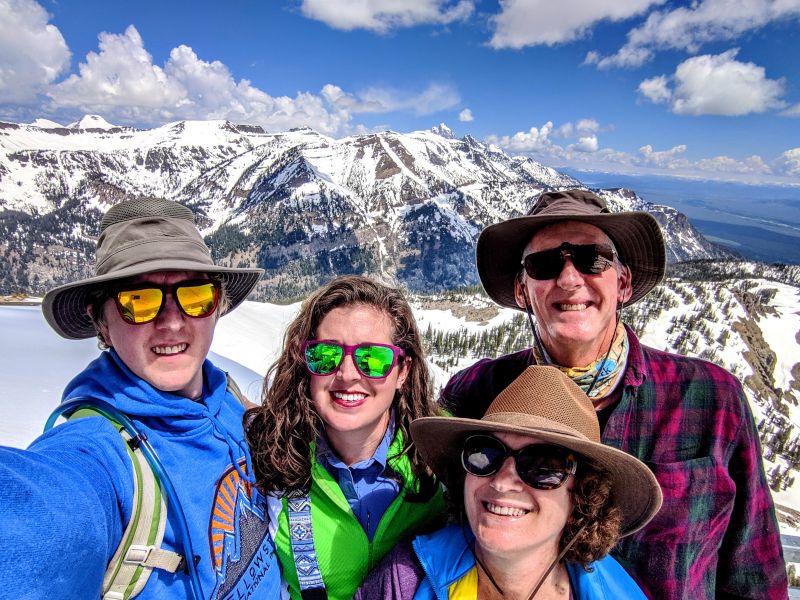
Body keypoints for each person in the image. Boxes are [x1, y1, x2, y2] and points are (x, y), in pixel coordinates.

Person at [440, 189, 787, 599]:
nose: (569, 279)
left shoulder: (710, 399)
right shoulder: (476, 394)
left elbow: (755, 575)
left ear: (622, 282)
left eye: (592, 259)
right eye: (544, 264)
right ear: (522, 291)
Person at [0, 198, 283, 599]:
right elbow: (37, 515)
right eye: (139, 301)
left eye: (195, 296)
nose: (171, 321)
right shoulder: (102, 453)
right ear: (102, 322)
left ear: (216, 306)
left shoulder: (225, 393)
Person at [356, 365, 662, 599]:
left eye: (543, 466)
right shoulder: (405, 579)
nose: (503, 481)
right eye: (485, 454)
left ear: (583, 495)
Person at [245, 275, 446, 600]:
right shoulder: (269, 456)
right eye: (326, 355)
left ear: (402, 372)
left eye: (372, 359)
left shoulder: (444, 450)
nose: (348, 374)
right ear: (306, 365)